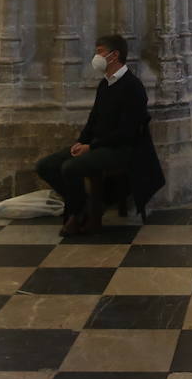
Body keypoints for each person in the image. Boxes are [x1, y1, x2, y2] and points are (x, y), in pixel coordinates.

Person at [35, 35, 151, 236]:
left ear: (114, 56)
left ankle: (78, 215)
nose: (96, 57)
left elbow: (127, 132)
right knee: (46, 166)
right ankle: (86, 207)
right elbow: (93, 120)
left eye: (99, 52)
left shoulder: (132, 86)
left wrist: (91, 147)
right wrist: (82, 141)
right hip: (98, 145)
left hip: (121, 149)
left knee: (70, 167)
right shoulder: (105, 84)